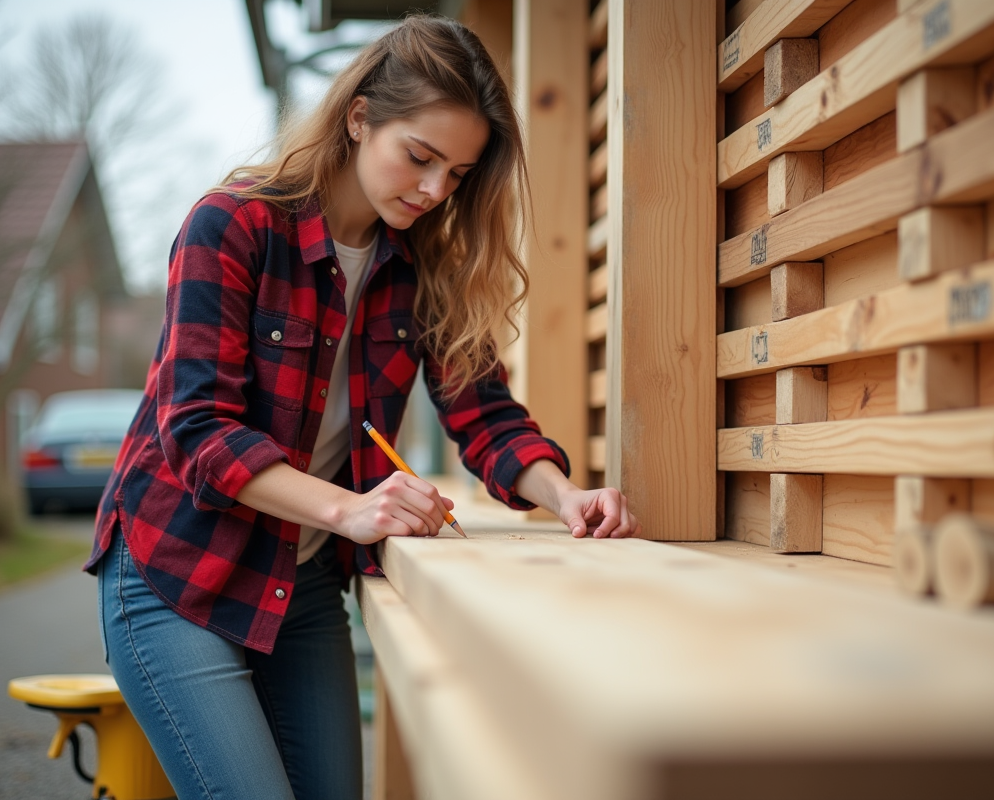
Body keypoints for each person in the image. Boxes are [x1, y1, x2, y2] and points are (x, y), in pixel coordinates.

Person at [85, 14, 639, 800]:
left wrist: (565, 495)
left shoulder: (420, 263)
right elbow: (199, 433)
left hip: (299, 580)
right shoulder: (233, 224)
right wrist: (351, 510)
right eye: (420, 157)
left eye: (458, 173)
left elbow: (483, 412)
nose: (435, 190)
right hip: (179, 573)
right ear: (358, 117)